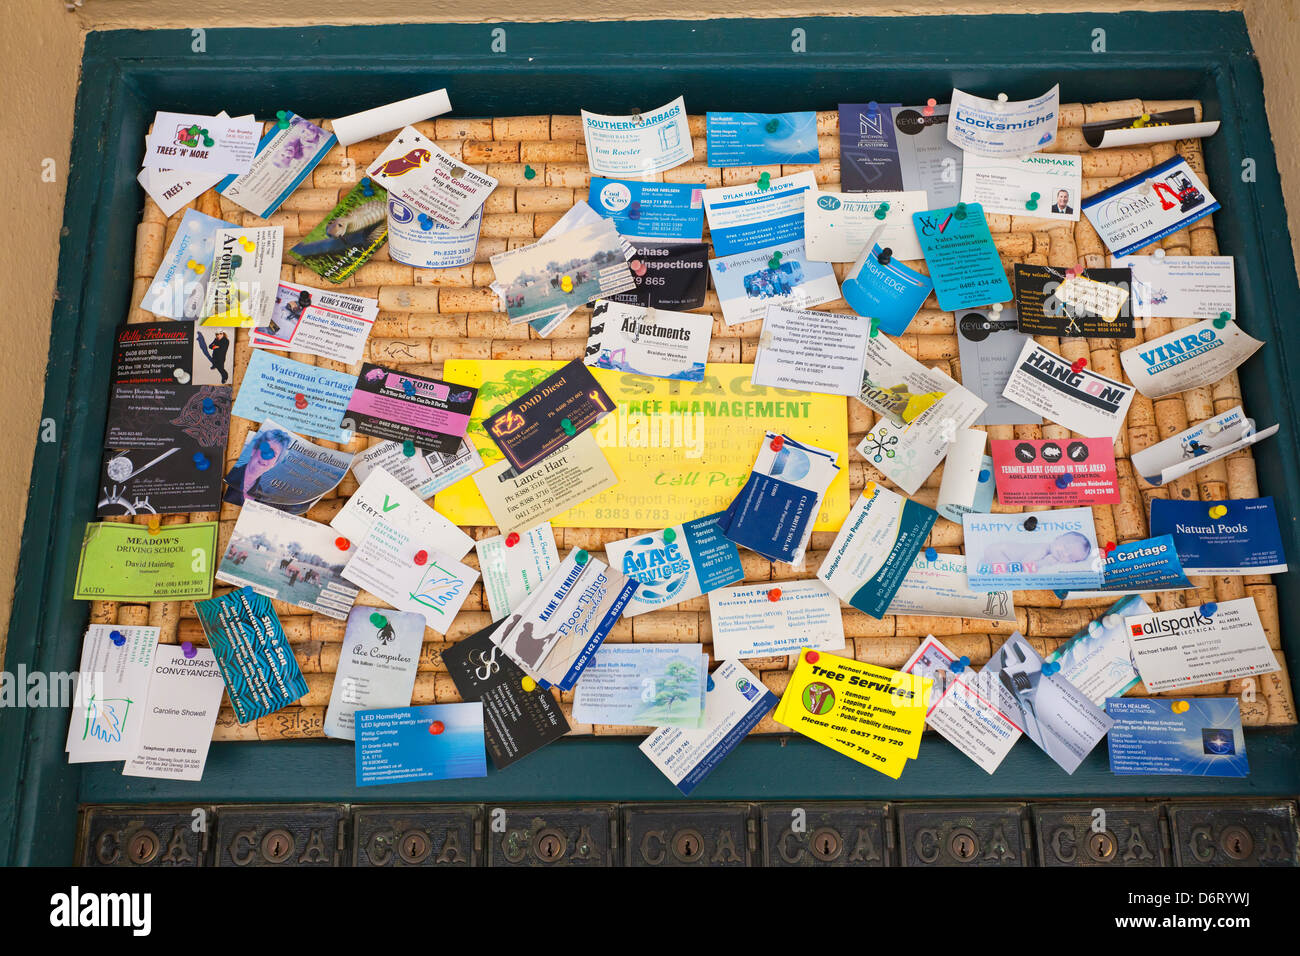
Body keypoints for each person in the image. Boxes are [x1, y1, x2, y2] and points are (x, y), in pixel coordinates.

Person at [223, 429, 290, 506]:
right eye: (265, 448)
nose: (266, 456)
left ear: (274, 464)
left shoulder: (262, 497)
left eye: (273, 454)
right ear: (254, 450)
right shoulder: (228, 472)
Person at [981, 530, 1092, 570]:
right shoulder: (1042, 549)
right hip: (998, 551)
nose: (1065, 553)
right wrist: (1044, 563)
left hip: (1001, 553)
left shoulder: (1052, 556)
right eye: (1066, 546)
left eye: (1071, 557)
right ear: (1058, 538)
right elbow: (1024, 565)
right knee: (1006, 572)